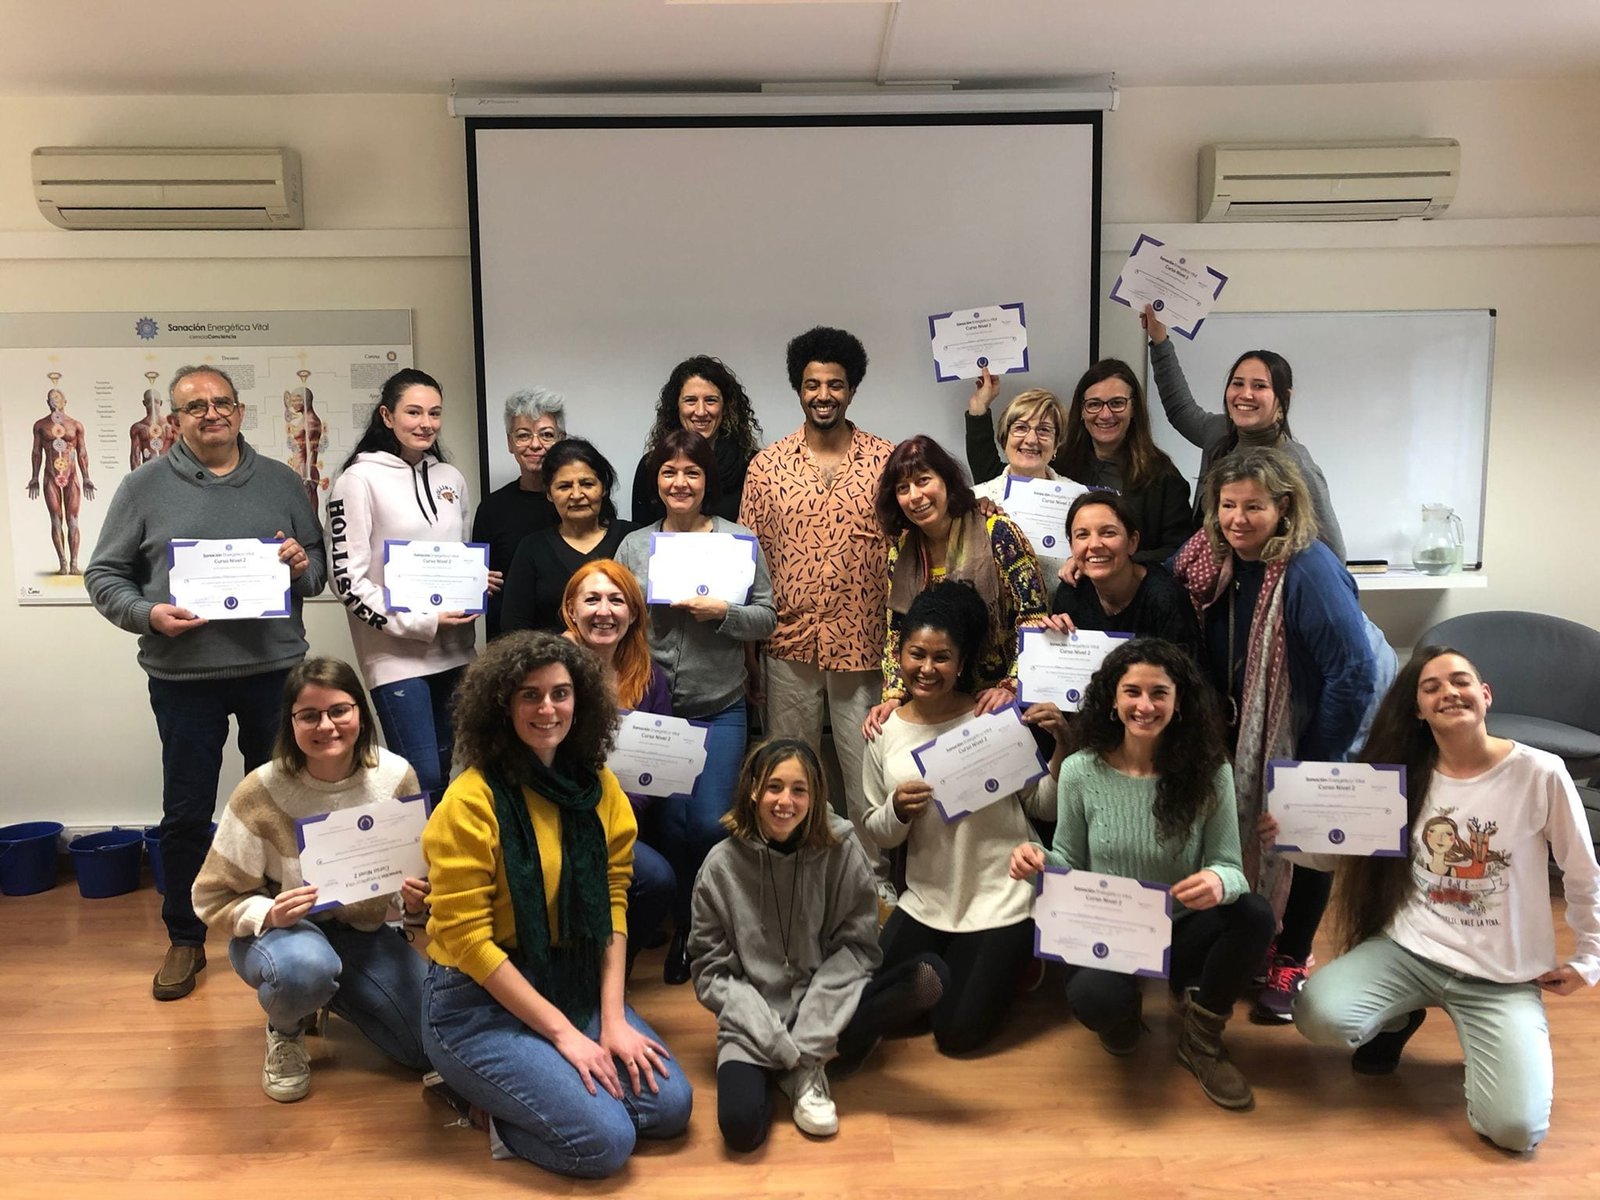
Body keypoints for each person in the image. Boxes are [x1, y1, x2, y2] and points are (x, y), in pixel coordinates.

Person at [1283, 647, 1600, 1152]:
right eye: (1431, 688)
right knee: (1318, 1015)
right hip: (1410, 952)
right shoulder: (1400, 777)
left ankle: (1493, 1046)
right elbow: (1343, 855)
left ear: (1485, 695)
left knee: (1517, 1133)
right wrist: (1290, 835)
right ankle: (1402, 1015)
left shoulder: (1540, 773)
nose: (1448, 692)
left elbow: (1584, 873)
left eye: (1461, 681)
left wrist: (1590, 958)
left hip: (1501, 977)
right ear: (1418, 710)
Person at [86, 364, 325, 1002]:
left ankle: (285, 924)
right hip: (184, 676)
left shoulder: (281, 481)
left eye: (221, 403)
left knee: (283, 802)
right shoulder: (142, 488)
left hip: (274, 670)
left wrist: (303, 564)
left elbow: (316, 573)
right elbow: (104, 575)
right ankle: (186, 937)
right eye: (196, 406)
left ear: (241, 411)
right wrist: (147, 615)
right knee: (187, 811)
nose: (210, 413)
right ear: (176, 419)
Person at [419, 632, 693, 1178]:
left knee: (668, 1111)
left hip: (571, 978)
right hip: (474, 1002)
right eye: (530, 695)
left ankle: (541, 1083)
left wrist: (611, 1019)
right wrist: (566, 1036)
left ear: (582, 701)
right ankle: (476, 1101)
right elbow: (469, 942)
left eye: (560, 693)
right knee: (605, 1145)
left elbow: (614, 902)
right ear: (501, 705)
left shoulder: (599, 786)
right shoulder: (469, 800)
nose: (548, 708)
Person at [1009, 639, 1275, 1110]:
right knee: (1095, 998)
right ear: (1112, 698)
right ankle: (1124, 1014)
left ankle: (1202, 1039)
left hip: (1178, 926)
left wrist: (1218, 880)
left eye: (1160, 693)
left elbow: (1231, 869)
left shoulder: (1210, 773)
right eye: (1132, 691)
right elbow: (1068, 859)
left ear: (1179, 701)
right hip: (1106, 928)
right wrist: (1037, 860)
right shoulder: (1078, 770)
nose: (1145, 706)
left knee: (1253, 913)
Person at [1168, 446, 1378, 1022]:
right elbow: (1163, 583)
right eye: (1227, 505)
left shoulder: (1309, 569)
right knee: (1242, 840)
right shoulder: (1211, 555)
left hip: (1303, 738)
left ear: (1284, 506)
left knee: (1301, 846)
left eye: (1253, 507)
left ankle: (1291, 957)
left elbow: (1353, 673)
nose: (1237, 519)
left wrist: (1311, 766)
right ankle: (1251, 946)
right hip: (1234, 733)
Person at [192, 656, 431, 1102]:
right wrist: (269, 912)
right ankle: (286, 1026)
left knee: (425, 1050)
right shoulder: (260, 790)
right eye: (309, 715)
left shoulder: (397, 776)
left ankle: (328, 993)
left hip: (363, 931)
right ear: (291, 722)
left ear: (361, 711)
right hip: (285, 935)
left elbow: (412, 879)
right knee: (306, 967)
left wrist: (414, 905)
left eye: (339, 710)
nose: (327, 725)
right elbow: (210, 895)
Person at [690, 738, 948, 1149]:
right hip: (755, 1021)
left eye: (799, 789)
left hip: (827, 1003)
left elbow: (859, 947)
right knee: (740, 1131)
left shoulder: (843, 850)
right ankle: (808, 1063)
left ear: (815, 795)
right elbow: (710, 971)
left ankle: (808, 1062)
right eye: (774, 787)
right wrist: (774, 1038)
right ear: (754, 789)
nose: (785, 801)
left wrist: (808, 1035)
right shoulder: (719, 866)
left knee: (930, 976)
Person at [863, 583, 1068, 1054]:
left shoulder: (992, 720)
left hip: (1001, 895)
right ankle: (961, 965)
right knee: (880, 1007)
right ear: (901, 653)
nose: (927, 669)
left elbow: (1042, 808)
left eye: (942, 658)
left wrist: (1061, 749)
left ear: (961, 661)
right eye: (917, 654)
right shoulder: (882, 730)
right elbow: (874, 826)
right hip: (930, 897)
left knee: (956, 1035)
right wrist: (896, 810)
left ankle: (1008, 958)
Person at [618, 428, 775, 984]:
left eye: (691, 472)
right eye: (669, 472)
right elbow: (612, 614)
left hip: (719, 705)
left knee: (709, 824)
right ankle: (679, 928)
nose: (679, 482)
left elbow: (767, 617)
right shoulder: (635, 545)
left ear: (707, 481)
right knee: (669, 827)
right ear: (656, 480)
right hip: (651, 711)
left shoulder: (738, 540)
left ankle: (703, 926)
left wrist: (723, 614)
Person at [740, 326, 895, 884]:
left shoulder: (886, 461)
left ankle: (872, 885)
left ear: (851, 390)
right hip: (789, 645)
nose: (823, 394)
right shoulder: (767, 467)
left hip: (864, 645)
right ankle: (794, 877)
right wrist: (748, 654)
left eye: (835, 384)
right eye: (812, 384)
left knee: (865, 779)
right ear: (798, 390)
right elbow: (747, 566)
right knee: (788, 773)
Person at [326, 368, 490, 801]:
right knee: (422, 780)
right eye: (413, 412)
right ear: (387, 415)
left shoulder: (451, 478)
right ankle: (419, 870)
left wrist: (474, 581)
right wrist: (421, 621)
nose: (426, 423)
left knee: (459, 776)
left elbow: (458, 553)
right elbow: (347, 581)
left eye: (434, 413)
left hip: (456, 653)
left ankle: (451, 868)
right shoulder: (356, 481)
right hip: (397, 658)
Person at [868, 435, 1049, 732]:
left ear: (948, 482)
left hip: (998, 706)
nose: (915, 496)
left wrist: (1011, 686)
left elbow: (1034, 618)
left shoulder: (998, 534)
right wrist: (894, 694)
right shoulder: (901, 551)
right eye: (903, 488)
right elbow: (897, 631)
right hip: (936, 703)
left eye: (924, 480)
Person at [1143, 304, 1346, 561]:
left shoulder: (1296, 464)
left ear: (1283, 397)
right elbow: (1180, 409)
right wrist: (1159, 339)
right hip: (1209, 589)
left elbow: (1334, 554)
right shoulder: (1219, 433)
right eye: (1237, 384)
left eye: (1259, 386)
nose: (1245, 394)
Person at [557, 561, 676, 973]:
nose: (604, 611)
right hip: (554, 818)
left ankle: (610, 976)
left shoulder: (648, 679)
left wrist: (617, 818)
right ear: (571, 609)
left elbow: (653, 770)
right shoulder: (550, 671)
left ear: (633, 614)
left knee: (657, 879)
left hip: (619, 818)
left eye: (616, 600)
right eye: (591, 599)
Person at [973, 359, 1194, 568]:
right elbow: (1002, 478)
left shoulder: (1162, 476)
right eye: (1094, 404)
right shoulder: (1061, 466)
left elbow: (1179, 549)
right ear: (1081, 410)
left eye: (1117, 403)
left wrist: (1111, 561)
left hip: (1131, 595)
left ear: (1134, 408)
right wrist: (978, 410)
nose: (1105, 414)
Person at [501, 439, 633, 635]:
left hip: (625, 663)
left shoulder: (631, 539)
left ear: (603, 488)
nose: (577, 494)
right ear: (549, 493)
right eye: (564, 486)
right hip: (554, 662)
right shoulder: (531, 548)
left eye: (587, 484)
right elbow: (514, 628)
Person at [1044, 490, 1200, 656]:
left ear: (1132, 542)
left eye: (1108, 533)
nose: (1095, 544)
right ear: (1071, 547)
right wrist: (1052, 638)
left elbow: (1189, 676)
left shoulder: (1164, 598)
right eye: (1082, 535)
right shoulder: (1072, 592)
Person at [959, 373, 1077, 583]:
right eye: (1021, 428)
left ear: (1056, 444)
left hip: (1063, 612)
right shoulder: (976, 498)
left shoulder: (1079, 499)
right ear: (1004, 439)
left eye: (1044, 430)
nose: (1031, 439)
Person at [473, 387, 566, 639]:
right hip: (510, 647)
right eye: (523, 435)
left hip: (573, 643)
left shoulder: (575, 501)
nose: (535, 445)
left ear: (561, 439)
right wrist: (474, 581)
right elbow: (479, 580)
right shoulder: (492, 508)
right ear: (509, 442)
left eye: (546, 435)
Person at [630, 355, 763, 526]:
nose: (700, 411)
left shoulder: (753, 466)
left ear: (726, 407)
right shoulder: (651, 465)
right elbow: (642, 539)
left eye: (711, 401)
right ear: (675, 406)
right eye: (690, 400)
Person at [26, 382, 96, 575]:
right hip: (50, 476)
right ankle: (63, 563)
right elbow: (36, 452)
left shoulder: (75, 425)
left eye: (58, 397)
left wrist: (87, 477)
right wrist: (34, 477)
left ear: (66, 401)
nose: (54, 400)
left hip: (71, 475)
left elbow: (82, 452)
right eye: (51, 397)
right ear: (47, 402)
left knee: (73, 519)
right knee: (56, 519)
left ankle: (74, 563)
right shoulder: (41, 425)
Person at [284, 378, 325, 518]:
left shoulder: (311, 422)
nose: (293, 403)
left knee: (308, 516)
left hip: (305, 471)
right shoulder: (304, 420)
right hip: (300, 470)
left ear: (306, 400)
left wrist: (307, 477)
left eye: (297, 400)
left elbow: (311, 450)